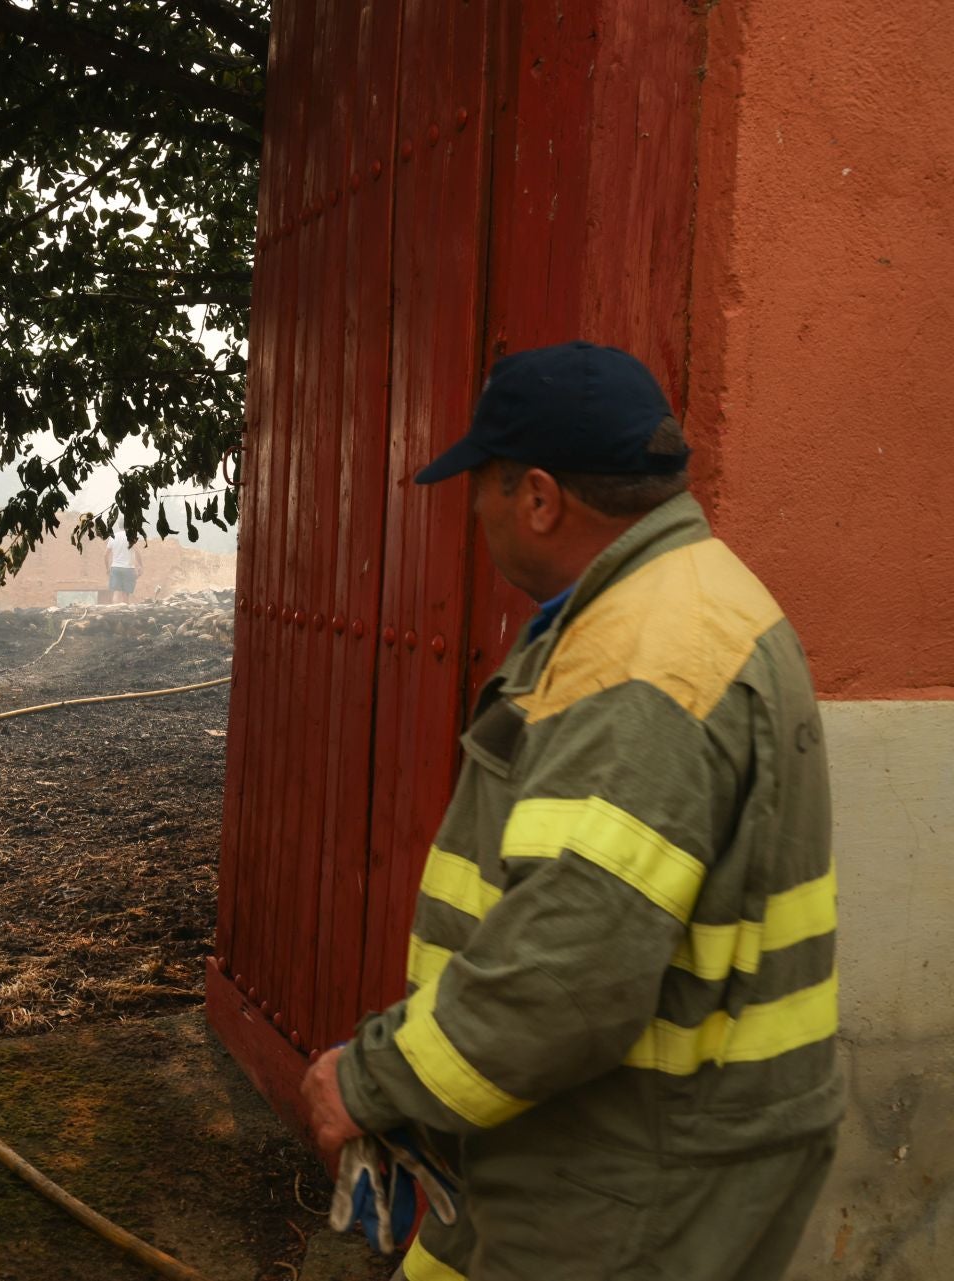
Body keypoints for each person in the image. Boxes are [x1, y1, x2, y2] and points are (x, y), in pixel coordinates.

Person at [301, 342, 839, 1281]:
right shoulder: (678, 604)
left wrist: (371, 1081)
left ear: (540, 498)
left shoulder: (645, 662)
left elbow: (566, 974)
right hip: (636, 1146)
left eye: (486, 488)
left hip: (633, 1173)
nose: (476, 512)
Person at [106, 529, 143, 603]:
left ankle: (114, 611)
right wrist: (140, 565)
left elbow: (106, 554)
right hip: (128, 569)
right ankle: (125, 613)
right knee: (125, 593)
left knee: (116, 592)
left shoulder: (113, 537)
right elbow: (137, 552)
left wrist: (107, 568)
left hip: (116, 567)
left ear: (119, 526)